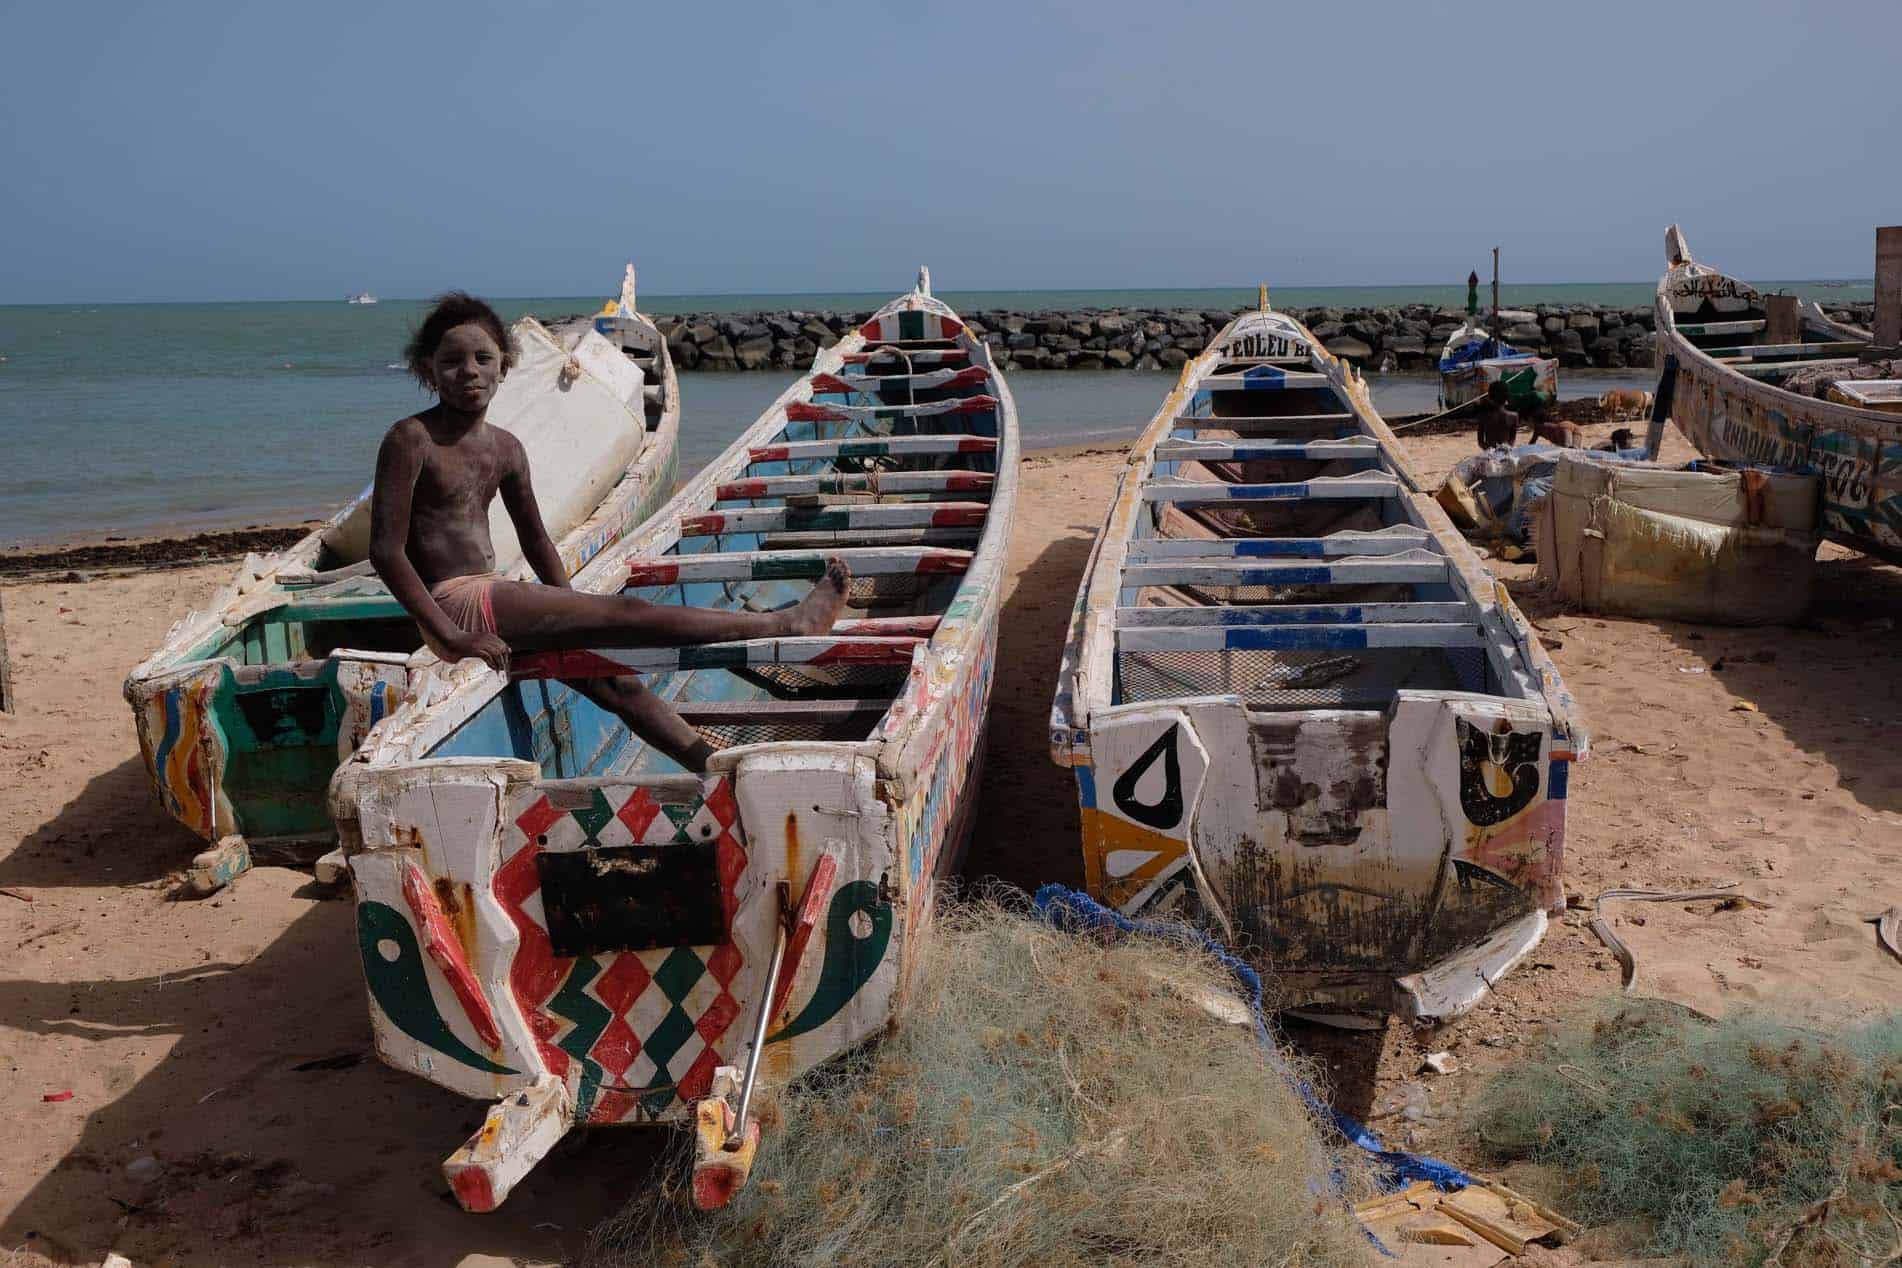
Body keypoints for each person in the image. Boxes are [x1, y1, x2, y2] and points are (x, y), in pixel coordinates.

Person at [370, 292, 850, 772]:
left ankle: (718, 768)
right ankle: (783, 625)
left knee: (616, 682)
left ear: (504, 367)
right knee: (627, 612)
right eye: (451, 361)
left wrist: (575, 614)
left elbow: (536, 540)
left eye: (482, 358)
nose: (469, 371)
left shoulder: (507, 448)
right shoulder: (411, 439)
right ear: (427, 371)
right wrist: (451, 638)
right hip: (456, 605)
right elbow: (386, 553)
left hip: (493, 597)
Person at [1472, 380, 1520, 449]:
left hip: (1489, 455)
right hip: (1506, 454)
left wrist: (1490, 450)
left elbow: (1481, 442)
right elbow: (1512, 440)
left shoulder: (1483, 416)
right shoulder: (1514, 416)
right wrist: (1506, 449)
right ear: (1506, 397)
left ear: (1490, 398)